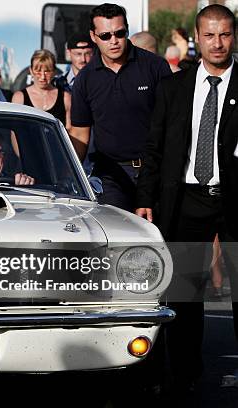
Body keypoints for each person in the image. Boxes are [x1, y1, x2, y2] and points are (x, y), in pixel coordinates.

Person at [135, 4, 238, 394]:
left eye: (225, 34)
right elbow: (155, 147)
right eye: (210, 35)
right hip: (187, 201)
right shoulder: (174, 87)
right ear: (197, 37)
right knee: (186, 295)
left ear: (234, 36)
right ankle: (184, 376)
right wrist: (145, 195)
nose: (218, 43)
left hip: (235, 202)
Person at [70, 3, 172, 211]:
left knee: (160, 237)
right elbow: (80, 133)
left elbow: (173, 121)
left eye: (119, 33)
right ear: (93, 36)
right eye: (105, 36)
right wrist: (69, 175)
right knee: (118, 237)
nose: (114, 41)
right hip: (110, 175)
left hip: (155, 169)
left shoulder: (155, 67)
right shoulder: (86, 79)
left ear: (127, 30)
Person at [12, 49, 72, 130]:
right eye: (38, 71)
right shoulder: (19, 97)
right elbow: (14, 130)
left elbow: (70, 129)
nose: (43, 77)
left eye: (47, 71)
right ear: (31, 70)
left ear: (54, 71)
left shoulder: (66, 97)